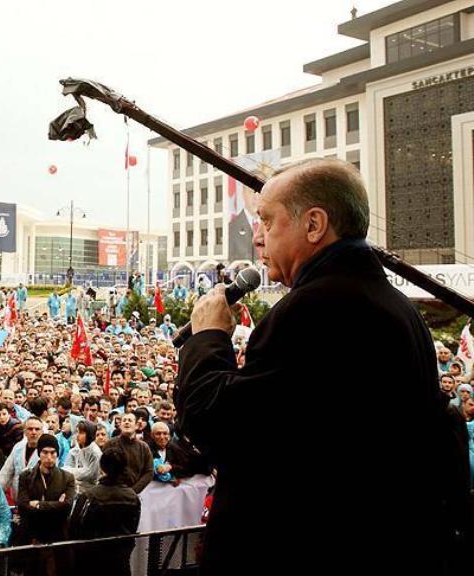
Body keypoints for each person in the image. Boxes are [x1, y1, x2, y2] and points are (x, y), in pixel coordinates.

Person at [176, 159, 471, 574]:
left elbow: (216, 423)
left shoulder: (317, 308)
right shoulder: (394, 305)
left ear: (314, 225)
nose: (257, 238)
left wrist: (208, 338)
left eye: (267, 221)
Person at [69, 448, 142, 576]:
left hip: (91, 561)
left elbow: (74, 527)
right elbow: (133, 527)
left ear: (102, 468)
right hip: (120, 560)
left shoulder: (90, 496)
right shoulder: (133, 497)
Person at [15, 434, 75, 545]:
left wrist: (39, 504)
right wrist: (56, 505)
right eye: (45, 452)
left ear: (57, 454)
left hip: (57, 535)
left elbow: (67, 506)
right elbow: (23, 506)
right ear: (39, 453)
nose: (49, 457)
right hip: (32, 534)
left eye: (53, 453)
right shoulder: (26, 476)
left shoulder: (67, 478)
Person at [104, 412, 153, 493]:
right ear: (120, 425)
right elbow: (103, 467)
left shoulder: (144, 447)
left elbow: (149, 472)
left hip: (134, 494)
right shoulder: (110, 444)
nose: (127, 422)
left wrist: (133, 491)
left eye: (130, 420)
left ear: (136, 425)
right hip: (112, 492)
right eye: (124, 420)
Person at [63, 420, 102, 493]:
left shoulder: (95, 453)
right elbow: (65, 470)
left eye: (81, 433)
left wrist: (72, 471)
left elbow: (89, 474)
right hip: (74, 488)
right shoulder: (74, 451)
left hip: (91, 491)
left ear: (89, 434)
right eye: (77, 432)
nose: (77, 435)